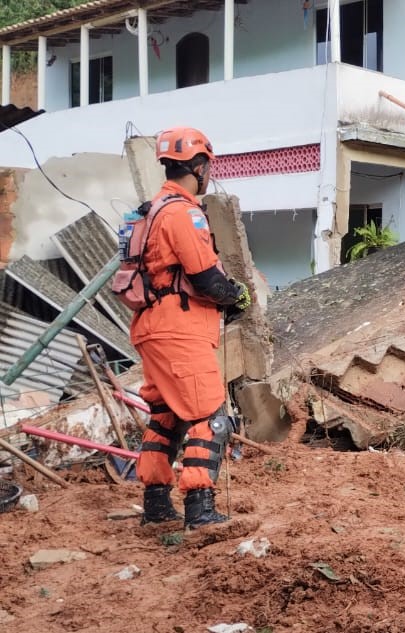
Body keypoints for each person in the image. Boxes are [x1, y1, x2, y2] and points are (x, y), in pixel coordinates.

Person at [132, 127, 252, 528]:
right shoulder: (184, 214)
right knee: (211, 415)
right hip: (179, 329)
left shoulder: (147, 213)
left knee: (165, 416)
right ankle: (200, 509)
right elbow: (206, 279)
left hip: (151, 327)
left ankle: (156, 506)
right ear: (199, 167)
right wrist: (236, 296)